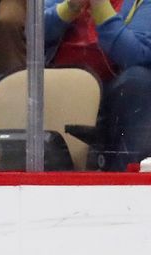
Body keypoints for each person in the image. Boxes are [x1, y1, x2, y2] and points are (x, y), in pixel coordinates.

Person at [45, 0, 151, 171]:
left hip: (113, 91)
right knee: (2, 86)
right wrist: (69, 7)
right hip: (55, 82)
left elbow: (137, 53)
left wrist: (100, 6)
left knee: (139, 81)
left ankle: (124, 181)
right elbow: (31, 33)